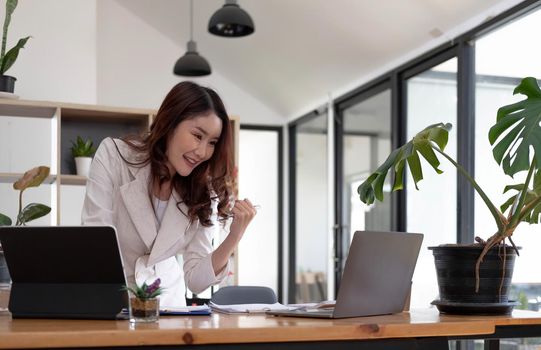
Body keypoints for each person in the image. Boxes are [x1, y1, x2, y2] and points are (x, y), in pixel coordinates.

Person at [81, 81, 256, 307]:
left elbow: (195, 279)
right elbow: (96, 241)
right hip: (113, 304)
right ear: (170, 122)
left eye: (212, 142)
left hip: (169, 309)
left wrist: (234, 236)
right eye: (197, 135)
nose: (203, 152)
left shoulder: (203, 190)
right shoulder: (114, 156)